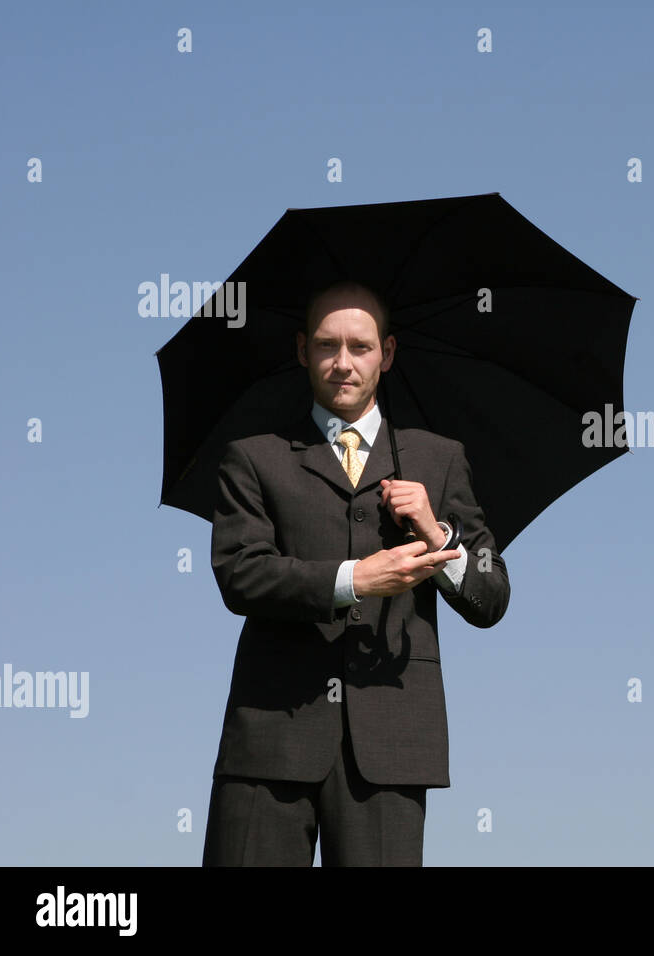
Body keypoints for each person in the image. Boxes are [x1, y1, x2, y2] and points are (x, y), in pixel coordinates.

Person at [201, 280, 510, 866]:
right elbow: (240, 575)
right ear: (302, 350)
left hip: (393, 743)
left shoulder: (439, 460)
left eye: (360, 347)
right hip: (270, 737)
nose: (343, 362)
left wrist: (436, 531)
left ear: (387, 353)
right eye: (326, 344)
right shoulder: (253, 457)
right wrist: (355, 580)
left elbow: (491, 597)